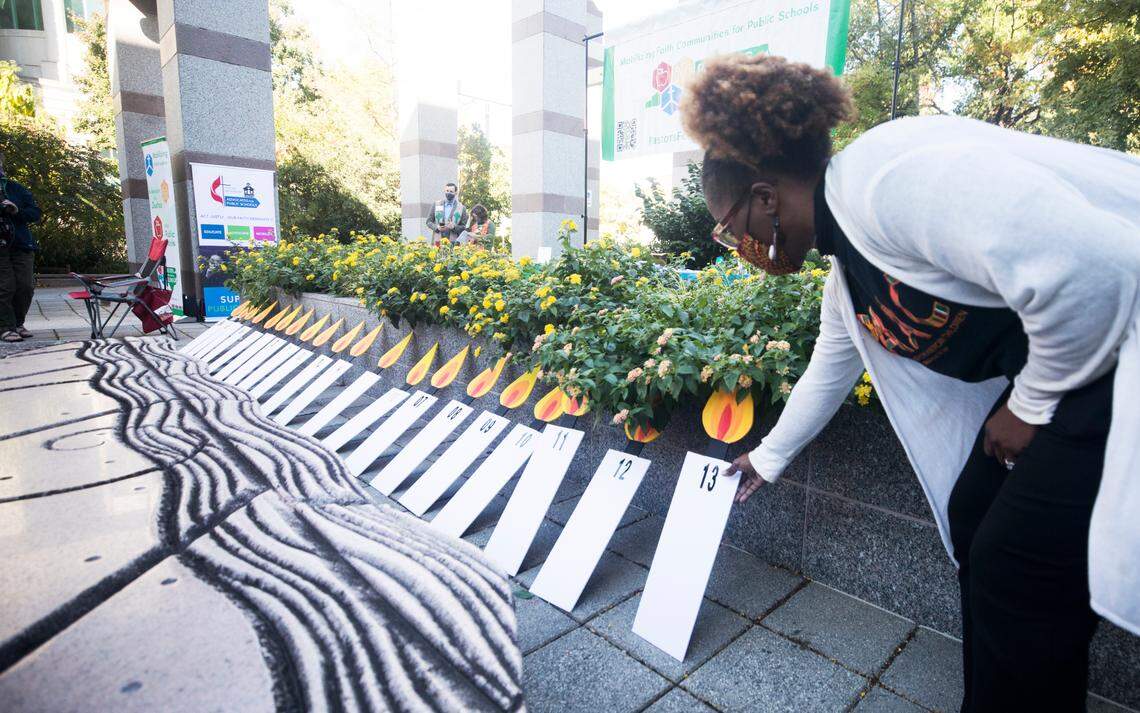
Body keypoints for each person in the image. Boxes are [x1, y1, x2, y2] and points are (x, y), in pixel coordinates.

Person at [681, 54, 1140, 712]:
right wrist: (768, 455)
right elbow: (829, 369)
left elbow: (1099, 272)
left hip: (1118, 360)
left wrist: (1030, 404)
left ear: (764, 198)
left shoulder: (888, 183)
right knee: (975, 517)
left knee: (1015, 570)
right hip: (1076, 370)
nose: (739, 245)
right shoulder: (848, 269)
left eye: (730, 229)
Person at [0, 153, 42, 343]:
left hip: (21, 243)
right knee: (6, 286)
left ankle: (18, 323)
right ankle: (6, 327)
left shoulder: (16, 188)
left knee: (25, 286)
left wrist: (16, 210)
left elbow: (35, 213)